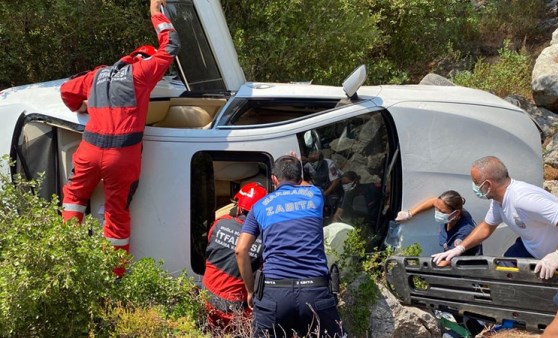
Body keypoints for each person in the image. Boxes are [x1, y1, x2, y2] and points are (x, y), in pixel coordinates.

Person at [59, 0, 180, 276]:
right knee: (116, 216)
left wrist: (81, 107)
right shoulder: (142, 73)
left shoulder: (97, 75)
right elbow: (171, 46)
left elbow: (66, 91)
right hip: (120, 157)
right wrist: (155, 14)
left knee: (73, 198)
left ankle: (67, 261)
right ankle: (113, 279)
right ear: (145, 60)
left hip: (88, 151)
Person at [235, 155, 345, 338]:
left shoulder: (259, 206)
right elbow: (304, 186)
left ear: (274, 179)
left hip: (274, 294)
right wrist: (297, 165)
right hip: (315, 292)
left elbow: (240, 250)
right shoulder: (315, 194)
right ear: (299, 177)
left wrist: (250, 291)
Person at [432, 156, 558, 279]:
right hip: (529, 247)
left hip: (552, 255)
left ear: (488, 184)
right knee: (500, 275)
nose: (474, 187)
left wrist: (556, 255)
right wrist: (460, 248)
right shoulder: (498, 201)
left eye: (476, 182)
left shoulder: (522, 199)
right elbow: (487, 227)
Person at [203, 182, 267, 330]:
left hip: (207, 296)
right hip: (234, 308)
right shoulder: (263, 241)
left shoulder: (219, 223)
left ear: (238, 205)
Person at [396, 190, 483, 258]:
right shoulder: (450, 215)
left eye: (441, 211)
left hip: (463, 269)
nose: (437, 212)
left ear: (455, 213)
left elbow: (450, 260)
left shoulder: (463, 232)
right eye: (437, 209)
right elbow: (434, 201)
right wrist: (410, 214)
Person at [332, 171, 382, 249]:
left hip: (375, 222)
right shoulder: (346, 196)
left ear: (355, 181)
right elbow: (338, 213)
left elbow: (386, 189)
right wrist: (333, 229)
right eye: (343, 184)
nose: (345, 186)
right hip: (357, 225)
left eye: (347, 183)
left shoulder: (371, 188)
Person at [304, 149, 342, 221]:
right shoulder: (307, 165)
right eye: (312, 161)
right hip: (316, 190)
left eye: (315, 161)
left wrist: (325, 193)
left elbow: (336, 181)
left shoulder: (328, 163)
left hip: (328, 190)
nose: (313, 164)